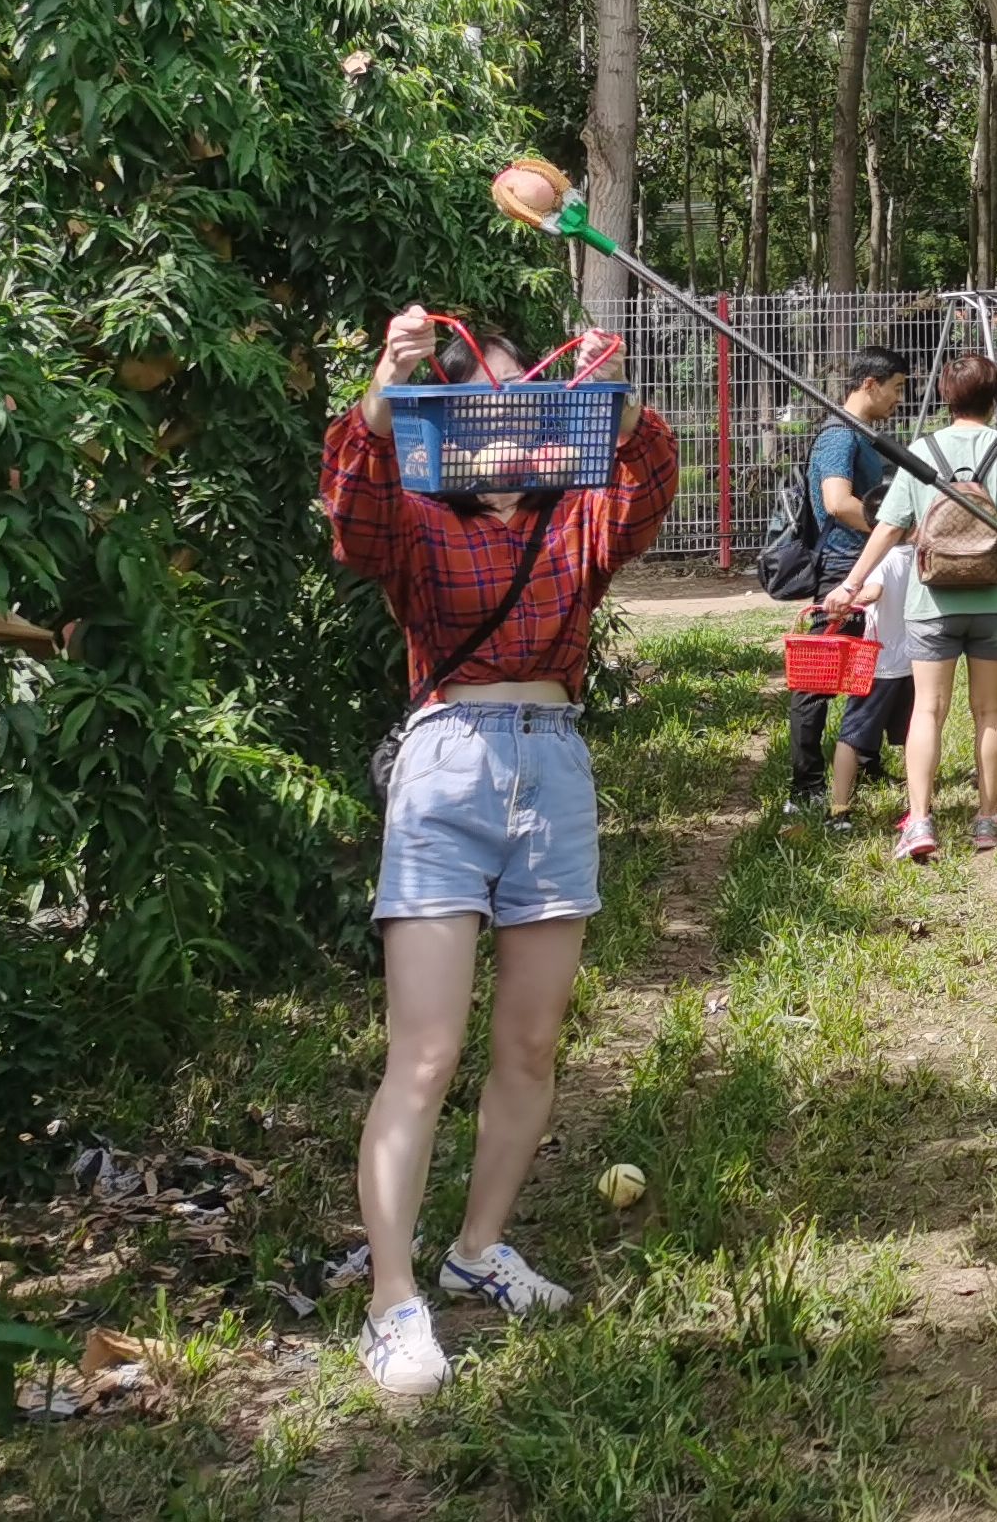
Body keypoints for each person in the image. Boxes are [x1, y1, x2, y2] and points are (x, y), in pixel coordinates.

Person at [324, 304, 678, 1397]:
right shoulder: (421, 521)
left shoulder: (576, 521)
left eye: (531, 410)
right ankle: (394, 1299)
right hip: (447, 767)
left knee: (530, 1047)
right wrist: (386, 384)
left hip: (555, 768)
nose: (506, 431)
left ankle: (478, 1249)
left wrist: (612, 403)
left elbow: (652, 477)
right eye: (480, 408)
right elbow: (353, 512)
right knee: (424, 1054)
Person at [822, 351, 997, 861]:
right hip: (994, 599)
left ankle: (921, 821)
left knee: (927, 710)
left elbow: (888, 527)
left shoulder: (920, 451)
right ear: (994, 400)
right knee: (989, 710)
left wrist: (851, 582)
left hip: (931, 600)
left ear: (947, 398)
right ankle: (987, 820)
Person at [785, 347, 907, 822]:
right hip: (842, 571)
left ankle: (866, 762)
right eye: (896, 387)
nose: (900, 398)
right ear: (870, 385)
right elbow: (837, 503)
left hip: (863, 568)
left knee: (873, 669)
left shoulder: (861, 435)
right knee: (819, 679)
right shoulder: (839, 437)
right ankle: (806, 783)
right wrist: (893, 528)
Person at [821, 539, 916, 827]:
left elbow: (873, 591)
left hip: (877, 665)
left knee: (851, 736)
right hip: (913, 663)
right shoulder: (918, 555)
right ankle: (919, 805)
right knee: (913, 735)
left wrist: (846, 599)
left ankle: (839, 808)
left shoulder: (881, 560)